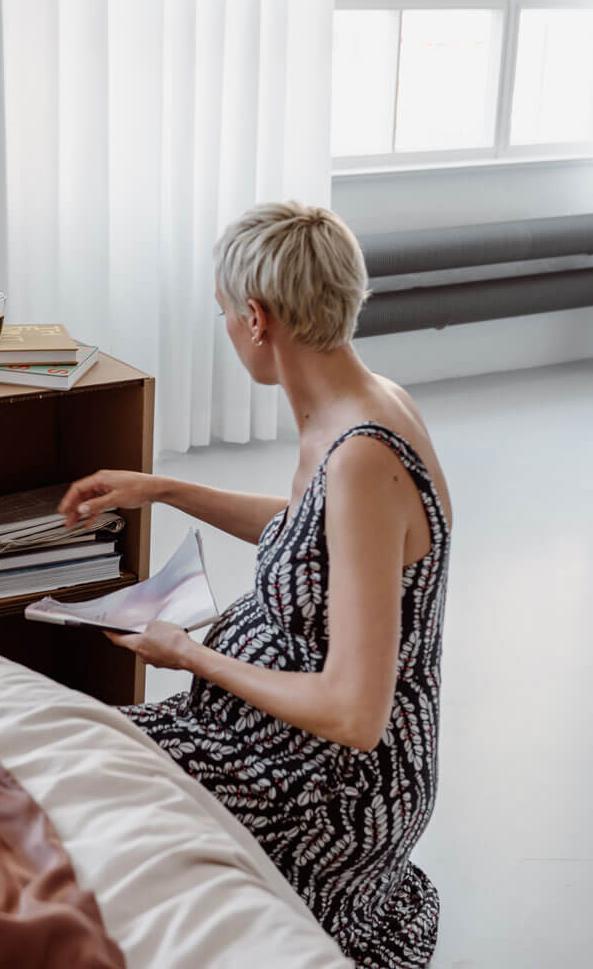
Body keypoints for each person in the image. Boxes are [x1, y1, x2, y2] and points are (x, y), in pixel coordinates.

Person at [57, 201, 452, 969]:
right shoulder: (358, 406)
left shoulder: (363, 454)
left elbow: (355, 716)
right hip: (275, 736)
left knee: (92, 804)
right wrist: (164, 488)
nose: (231, 332)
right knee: (86, 751)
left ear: (258, 318)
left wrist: (189, 654)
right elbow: (318, 531)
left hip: (335, 786)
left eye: (225, 318)